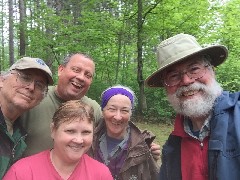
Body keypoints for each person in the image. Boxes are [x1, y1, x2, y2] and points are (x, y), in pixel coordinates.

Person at [20, 53, 161, 161]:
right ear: (61, 69)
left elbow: (118, 131)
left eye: (88, 75)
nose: (81, 77)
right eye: (76, 70)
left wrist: (143, 148)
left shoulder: (93, 109)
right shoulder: (34, 97)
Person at [145, 33, 240, 180]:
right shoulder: (172, 146)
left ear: (212, 70)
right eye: (174, 76)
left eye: (194, 69)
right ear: (165, 87)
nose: (186, 80)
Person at [3, 100, 113, 180]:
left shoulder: (101, 174)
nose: (79, 140)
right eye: (70, 131)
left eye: (86, 132)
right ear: (53, 130)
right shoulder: (22, 172)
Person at [89, 85, 159, 180]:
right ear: (103, 111)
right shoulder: (87, 141)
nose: (118, 117)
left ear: (131, 114)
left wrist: (150, 157)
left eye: (124, 110)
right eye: (112, 109)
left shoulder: (144, 147)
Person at [0, 57, 53, 178]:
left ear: (41, 99)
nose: (31, 87)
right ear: (2, 80)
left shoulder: (19, 134)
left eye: (39, 85)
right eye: (25, 77)